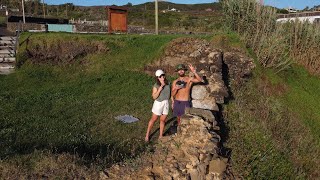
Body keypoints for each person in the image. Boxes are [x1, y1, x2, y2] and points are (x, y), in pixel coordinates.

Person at [145, 69, 171, 142]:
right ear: (157, 78)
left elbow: (170, 93)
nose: (162, 77)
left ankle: (160, 136)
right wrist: (159, 89)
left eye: (163, 75)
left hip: (166, 103)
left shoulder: (168, 83)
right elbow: (154, 97)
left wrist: (172, 100)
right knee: (153, 119)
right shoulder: (156, 86)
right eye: (160, 76)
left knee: (162, 120)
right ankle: (147, 135)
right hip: (158, 104)